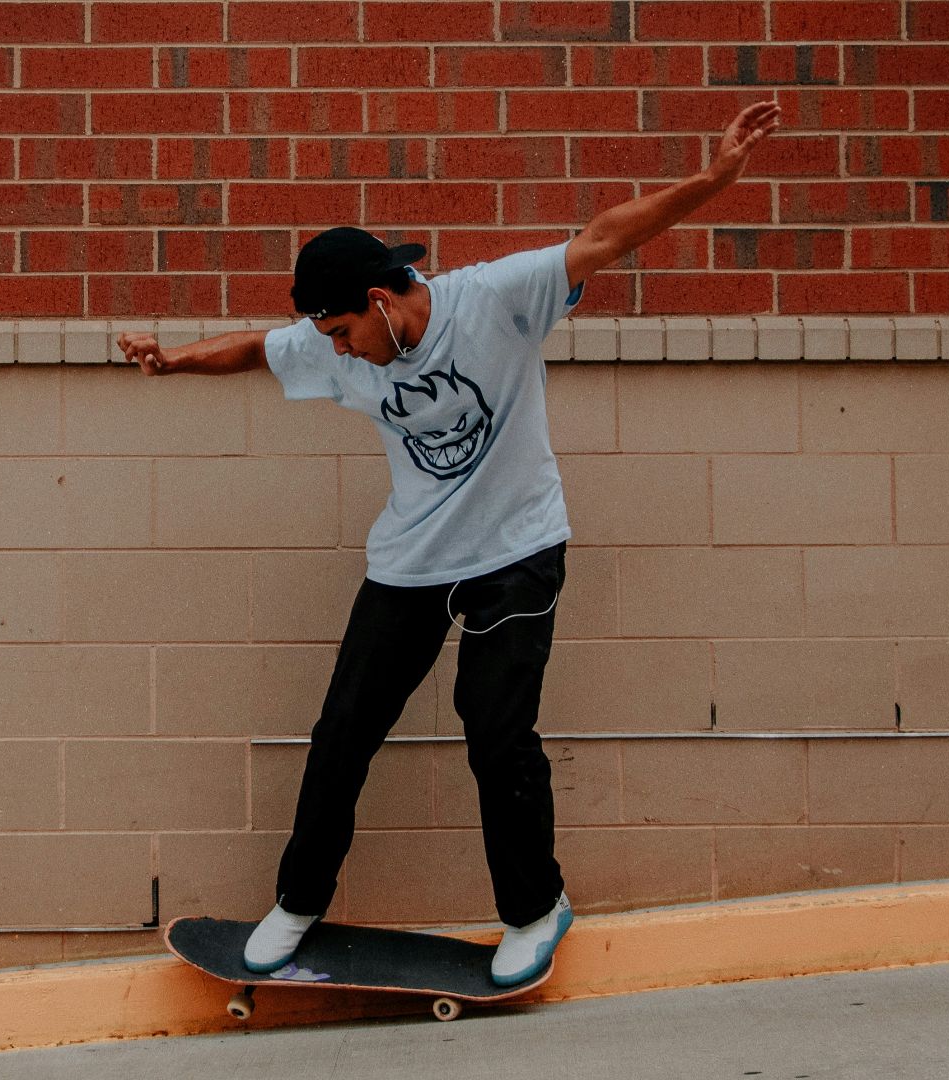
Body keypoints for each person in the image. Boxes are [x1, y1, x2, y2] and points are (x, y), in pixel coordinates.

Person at [118, 100, 782, 986]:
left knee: (494, 727)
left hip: (517, 548)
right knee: (344, 728)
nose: (341, 353)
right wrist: (172, 360)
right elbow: (256, 350)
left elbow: (602, 238)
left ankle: (535, 911)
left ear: (384, 300)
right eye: (330, 341)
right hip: (414, 559)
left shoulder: (496, 300)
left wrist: (709, 181)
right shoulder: (340, 347)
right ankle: (298, 903)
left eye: (348, 331)